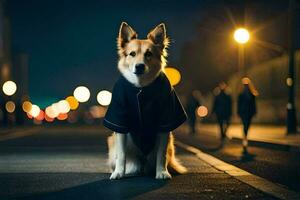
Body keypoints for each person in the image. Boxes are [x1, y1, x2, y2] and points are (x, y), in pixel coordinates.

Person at [237, 77, 258, 154]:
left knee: (247, 125)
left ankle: (245, 136)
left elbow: (254, 104)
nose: (245, 86)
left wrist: (255, 112)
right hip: (244, 112)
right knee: (245, 124)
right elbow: (239, 104)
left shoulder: (252, 94)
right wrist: (238, 112)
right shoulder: (241, 94)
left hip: (249, 112)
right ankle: (245, 137)